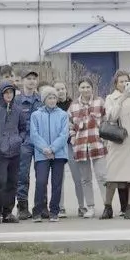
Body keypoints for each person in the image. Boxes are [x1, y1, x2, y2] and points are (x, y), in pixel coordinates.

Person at [102, 70, 130, 220]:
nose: (123, 84)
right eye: (121, 81)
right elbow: (111, 117)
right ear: (116, 83)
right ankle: (107, 207)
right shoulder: (110, 98)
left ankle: (129, 208)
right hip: (117, 138)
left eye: (126, 81)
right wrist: (121, 99)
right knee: (112, 176)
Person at [0, 81, 27, 224]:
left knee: (13, 182)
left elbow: (23, 128)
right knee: (2, 181)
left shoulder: (18, 110)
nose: (9, 95)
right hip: (1, 153)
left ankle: (8, 212)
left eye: (11, 92)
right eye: (6, 93)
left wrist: (19, 139)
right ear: (1, 94)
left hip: (15, 152)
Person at [68, 78, 108, 218]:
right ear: (78, 88)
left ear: (92, 88)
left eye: (88, 87)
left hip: (97, 144)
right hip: (80, 147)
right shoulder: (73, 106)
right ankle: (90, 207)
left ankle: (107, 206)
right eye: (82, 87)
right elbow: (70, 126)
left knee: (102, 177)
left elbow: (106, 120)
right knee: (85, 179)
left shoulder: (100, 102)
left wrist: (104, 138)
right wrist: (73, 138)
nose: (85, 89)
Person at [30, 87, 70, 222]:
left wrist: (52, 149)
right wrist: (45, 149)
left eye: (54, 98)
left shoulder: (63, 115)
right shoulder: (36, 115)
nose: (52, 100)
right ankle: (38, 210)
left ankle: (54, 211)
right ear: (44, 99)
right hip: (42, 154)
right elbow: (34, 134)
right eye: (49, 98)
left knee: (57, 183)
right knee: (41, 182)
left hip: (58, 154)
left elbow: (64, 135)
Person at [13, 70, 43, 218]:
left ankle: (41, 206)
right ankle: (22, 206)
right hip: (24, 142)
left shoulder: (41, 99)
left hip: (39, 142)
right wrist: (20, 138)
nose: (31, 81)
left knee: (41, 174)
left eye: (34, 78)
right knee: (22, 175)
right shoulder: (17, 100)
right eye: (28, 78)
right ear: (23, 81)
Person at [54, 81, 77, 218]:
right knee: (59, 178)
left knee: (77, 176)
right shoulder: (51, 105)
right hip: (58, 145)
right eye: (57, 89)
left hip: (71, 144)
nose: (61, 91)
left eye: (62, 88)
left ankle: (82, 206)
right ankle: (60, 207)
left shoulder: (73, 105)